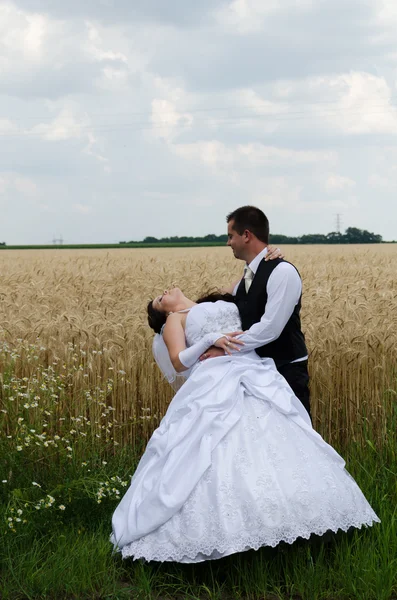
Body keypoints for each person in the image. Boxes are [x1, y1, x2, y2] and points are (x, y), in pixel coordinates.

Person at [110, 288, 379, 563]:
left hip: (253, 370)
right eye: (158, 299)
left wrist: (272, 252)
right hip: (215, 378)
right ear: (164, 312)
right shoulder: (174, 321)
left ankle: (295, 520)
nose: (163, 292)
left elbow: (255, 285)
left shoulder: (218, 301)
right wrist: (208, 341)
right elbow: (179, 362)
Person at [201, 206, 311, 417]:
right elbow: (219, 303)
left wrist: (226, 348)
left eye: (230, 236)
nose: (228, 242)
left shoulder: (282, 272)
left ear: (246, 235)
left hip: (286, 369)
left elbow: (270, 328)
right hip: (254, 369)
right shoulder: (248, 275)